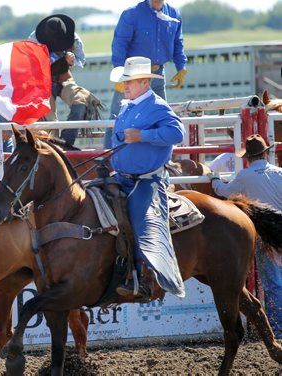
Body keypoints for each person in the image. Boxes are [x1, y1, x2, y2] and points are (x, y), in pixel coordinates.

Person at [109, 56, 186, 300]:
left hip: (147, 181)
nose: (124, 87)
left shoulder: (158, 106)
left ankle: (144, 279)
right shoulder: (128, 106)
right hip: (122, 176)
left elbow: (177, 133)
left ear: (144, 82)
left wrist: (143, 135)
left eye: (128, 83)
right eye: (124, 83)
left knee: (144, 224)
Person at [209, 134, 282, 339]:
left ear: (247, 157)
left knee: (274, 283)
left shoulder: (245, 176)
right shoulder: (280, 173)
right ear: (266, 153)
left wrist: (214, 177)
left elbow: (224, 191)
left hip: (265, 236)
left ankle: (279, 330)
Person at [104, 0, 187, 148]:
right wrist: (119, 72)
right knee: (119, 116)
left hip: (156, 72)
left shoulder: (174, 14)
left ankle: (162, 160)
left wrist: (181, 67)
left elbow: (178, 42)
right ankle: (108, 158)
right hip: (133, 75)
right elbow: (119, 44)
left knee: (160, 117)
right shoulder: (132, 14)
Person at [29, 14, 101, 146]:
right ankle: (53, 146)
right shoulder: (34, 40)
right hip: (42, 82)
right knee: (48, 121)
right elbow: (31, 65)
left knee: (82, 99)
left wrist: (71, 63)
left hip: (64, 77)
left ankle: (66, 142)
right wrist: (60, 60)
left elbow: (81, 61)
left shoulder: (74, 38)